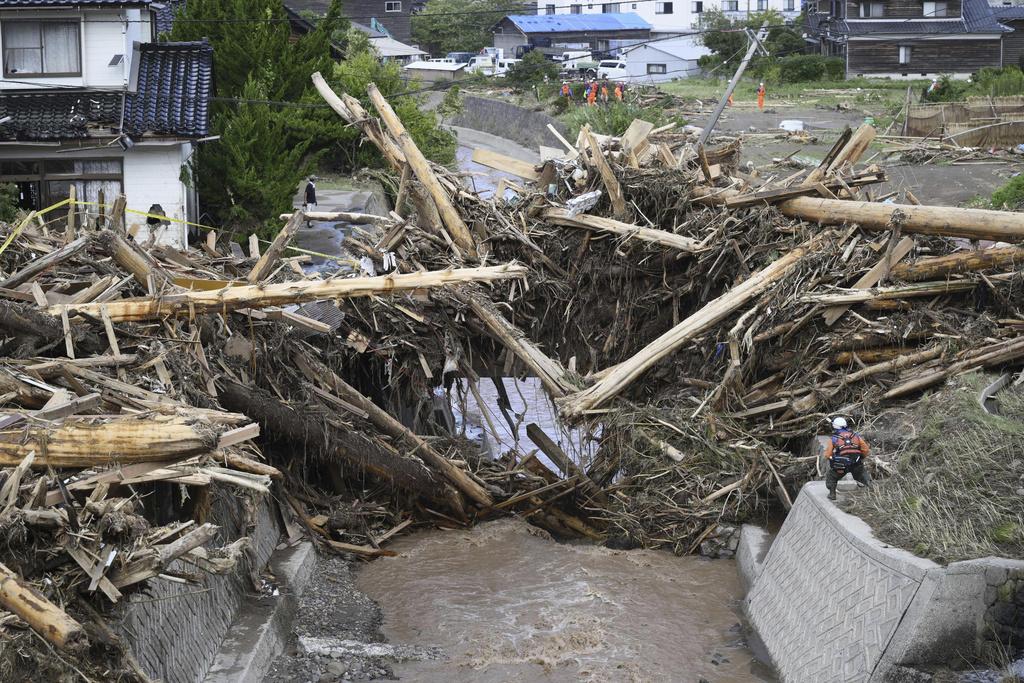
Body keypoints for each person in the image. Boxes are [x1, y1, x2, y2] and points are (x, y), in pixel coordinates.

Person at [823, 417, 872, 501]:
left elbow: (827, 454)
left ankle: (832, 494)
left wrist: (832, 458)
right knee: (863, 476)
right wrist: (861, 457)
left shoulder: (834, 438)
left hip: (841, 466)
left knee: (832, 476)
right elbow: (866, 450)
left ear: (835, 427)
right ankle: (873, 490)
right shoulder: (856, 436)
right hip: (856, 464)